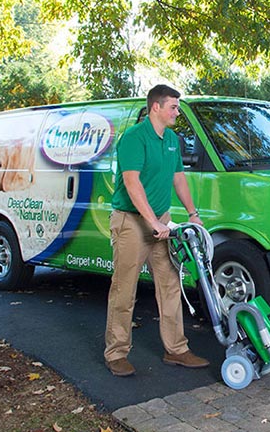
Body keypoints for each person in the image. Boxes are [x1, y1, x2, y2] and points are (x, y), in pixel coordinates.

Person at [104, 84, 210, 377]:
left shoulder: (173, 139)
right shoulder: (134, 138)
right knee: (124, 289)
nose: (178, 112)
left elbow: (178, 178)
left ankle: (176, 350)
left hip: (161, 221)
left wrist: (193, 214)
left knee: (170, 286)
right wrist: (152, 222)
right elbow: (132, 183)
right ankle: (116, 353)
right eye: (174, 107)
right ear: (156, 107)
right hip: (132, 222)